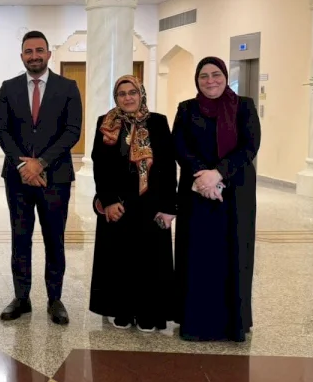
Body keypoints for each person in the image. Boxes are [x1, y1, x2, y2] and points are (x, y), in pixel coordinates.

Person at [0, 30, 82, 326]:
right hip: (17, 178)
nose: (34, 56)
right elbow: (2, 130)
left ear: (48, 54)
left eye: (39, 50)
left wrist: (41, 163)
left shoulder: (68, 87)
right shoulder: (8, 88)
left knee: (54, 239)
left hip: (55, 177)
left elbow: (72, 131)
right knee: (20, 238)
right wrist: (24, 166)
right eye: (29, 51)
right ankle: (22, 297)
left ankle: (55, 299)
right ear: (22, 56)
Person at [172, 56, 261, 342]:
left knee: (234, 252)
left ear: (224, 76)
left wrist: (219, 173)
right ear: (197, 81)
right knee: (198, 255)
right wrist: (203, 176)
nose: (210, 80)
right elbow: (180, 146)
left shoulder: (244, 106)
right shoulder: (186, 109)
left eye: (216, 74)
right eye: (204, 76)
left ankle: (233, 323)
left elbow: (250, 145)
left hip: (235, 191)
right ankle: (196, 322)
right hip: (197, 190)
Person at [88, 75, 177, 333]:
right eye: (122, 93)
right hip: (119, 204)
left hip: (151, 203)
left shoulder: (157, 122)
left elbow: (168, 166)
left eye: (132, 92)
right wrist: (107, 201)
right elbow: (99, 165)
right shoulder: (105, 124)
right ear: (116, 98)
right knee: (119, 259)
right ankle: (122, 309)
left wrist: (169, 207)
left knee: (150, 260)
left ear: (141, 94)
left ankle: (149, 312)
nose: (127, 98)